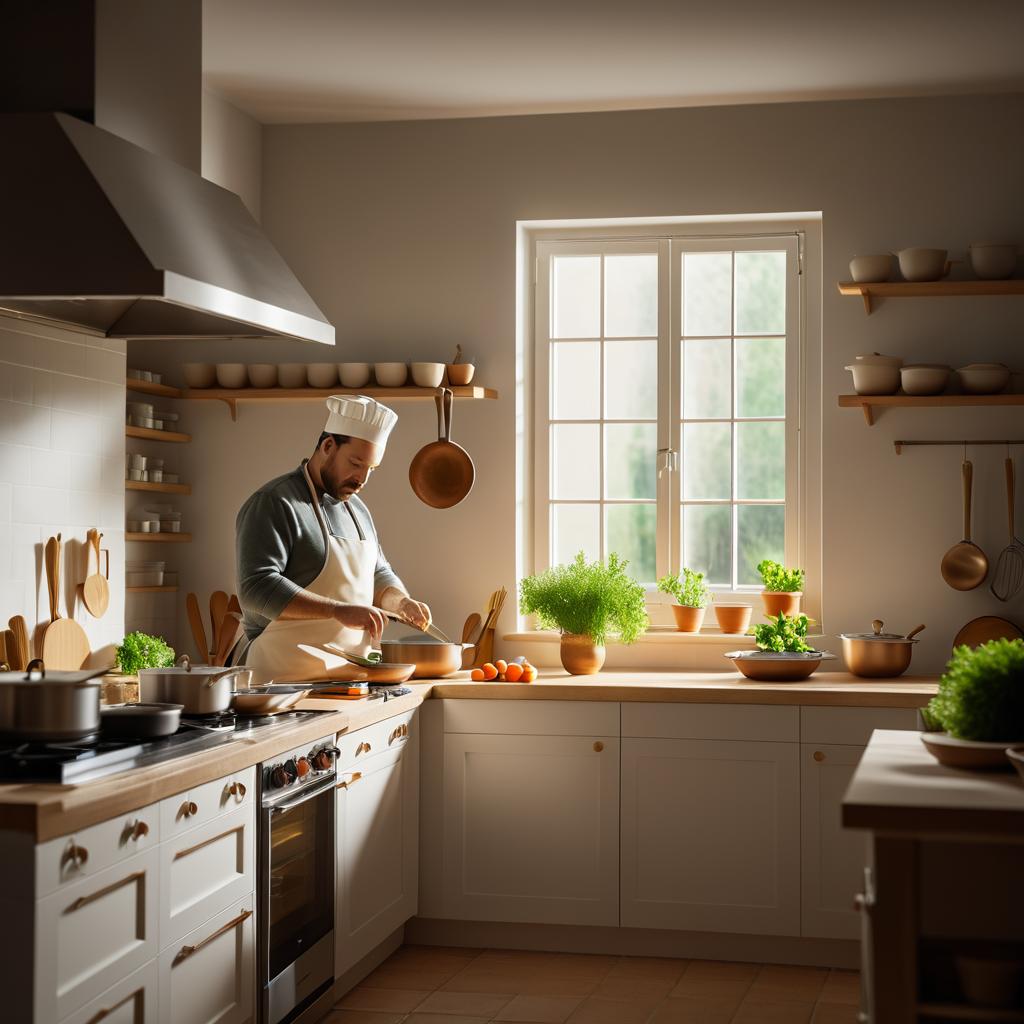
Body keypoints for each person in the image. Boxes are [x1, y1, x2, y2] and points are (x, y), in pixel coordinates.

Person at [234, 394, 430, 681]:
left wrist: (401, 603)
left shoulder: (358, 511)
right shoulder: (274, 503)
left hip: (349, 683)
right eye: (355, 463)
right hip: (281, 685)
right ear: (328, 446)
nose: (362, 478)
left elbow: (377, 573)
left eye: (370, 469)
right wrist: (337, 611)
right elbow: (256, 588)